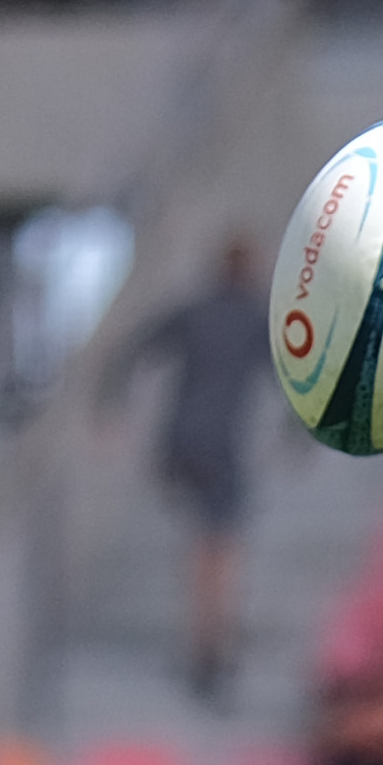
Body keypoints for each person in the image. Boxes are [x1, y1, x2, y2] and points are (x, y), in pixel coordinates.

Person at [106, 239, 281, 702]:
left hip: (180, 442)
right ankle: (211, 650)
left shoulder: (194, 310)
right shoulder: (253, 318)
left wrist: (112, 403)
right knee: (220, 551)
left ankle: (203, 643)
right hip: (220, 446)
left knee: (204, 546)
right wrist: (302, 431)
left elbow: (134, 347)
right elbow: (292, 376)